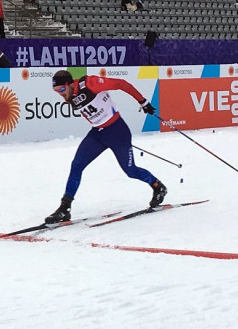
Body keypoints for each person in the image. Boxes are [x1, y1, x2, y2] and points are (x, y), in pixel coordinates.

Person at [45, 70, 166, 224]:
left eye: (61, 89)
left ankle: (157, 186)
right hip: (98, 135)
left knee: (130, 171)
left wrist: (142, 101)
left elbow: (122, 84)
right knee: (77, 165)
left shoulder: (90, 83)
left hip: (117, 132)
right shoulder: (70, 96)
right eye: (56, 91)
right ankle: (64, 208)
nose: (60, 94)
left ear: (69, 83)